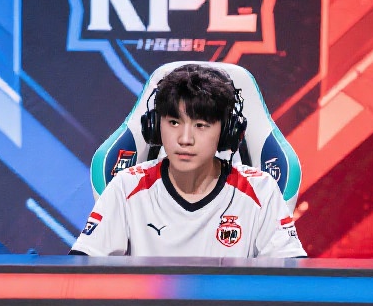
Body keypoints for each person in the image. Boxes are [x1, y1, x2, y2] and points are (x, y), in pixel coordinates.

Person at [71, 64, 305, 258]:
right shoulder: (126, 187)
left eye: (201, 125)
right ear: (155, 126)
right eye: (174, 123)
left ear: (227, 132)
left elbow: (293, 281)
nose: (184, 139)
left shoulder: (260, 190)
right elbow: (81, 274)